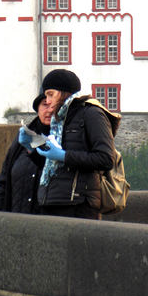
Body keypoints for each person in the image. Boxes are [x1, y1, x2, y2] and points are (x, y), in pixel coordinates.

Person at [21, 69, 120, 220]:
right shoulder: (59, 119)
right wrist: (31, 147)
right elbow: (52, 165)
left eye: (50, 94)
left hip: (79, 204)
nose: (47, 100)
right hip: (51, 201)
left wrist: (64, 156)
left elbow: (106, 159)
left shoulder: (92, 114)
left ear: (63, 92)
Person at [0, 94, 52, 213]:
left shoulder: (63, 138)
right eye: (45, 105)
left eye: (52, 106)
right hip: (16, 219)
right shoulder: (23, 137)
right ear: (37, 108)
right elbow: (3, 181)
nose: (49, 110)